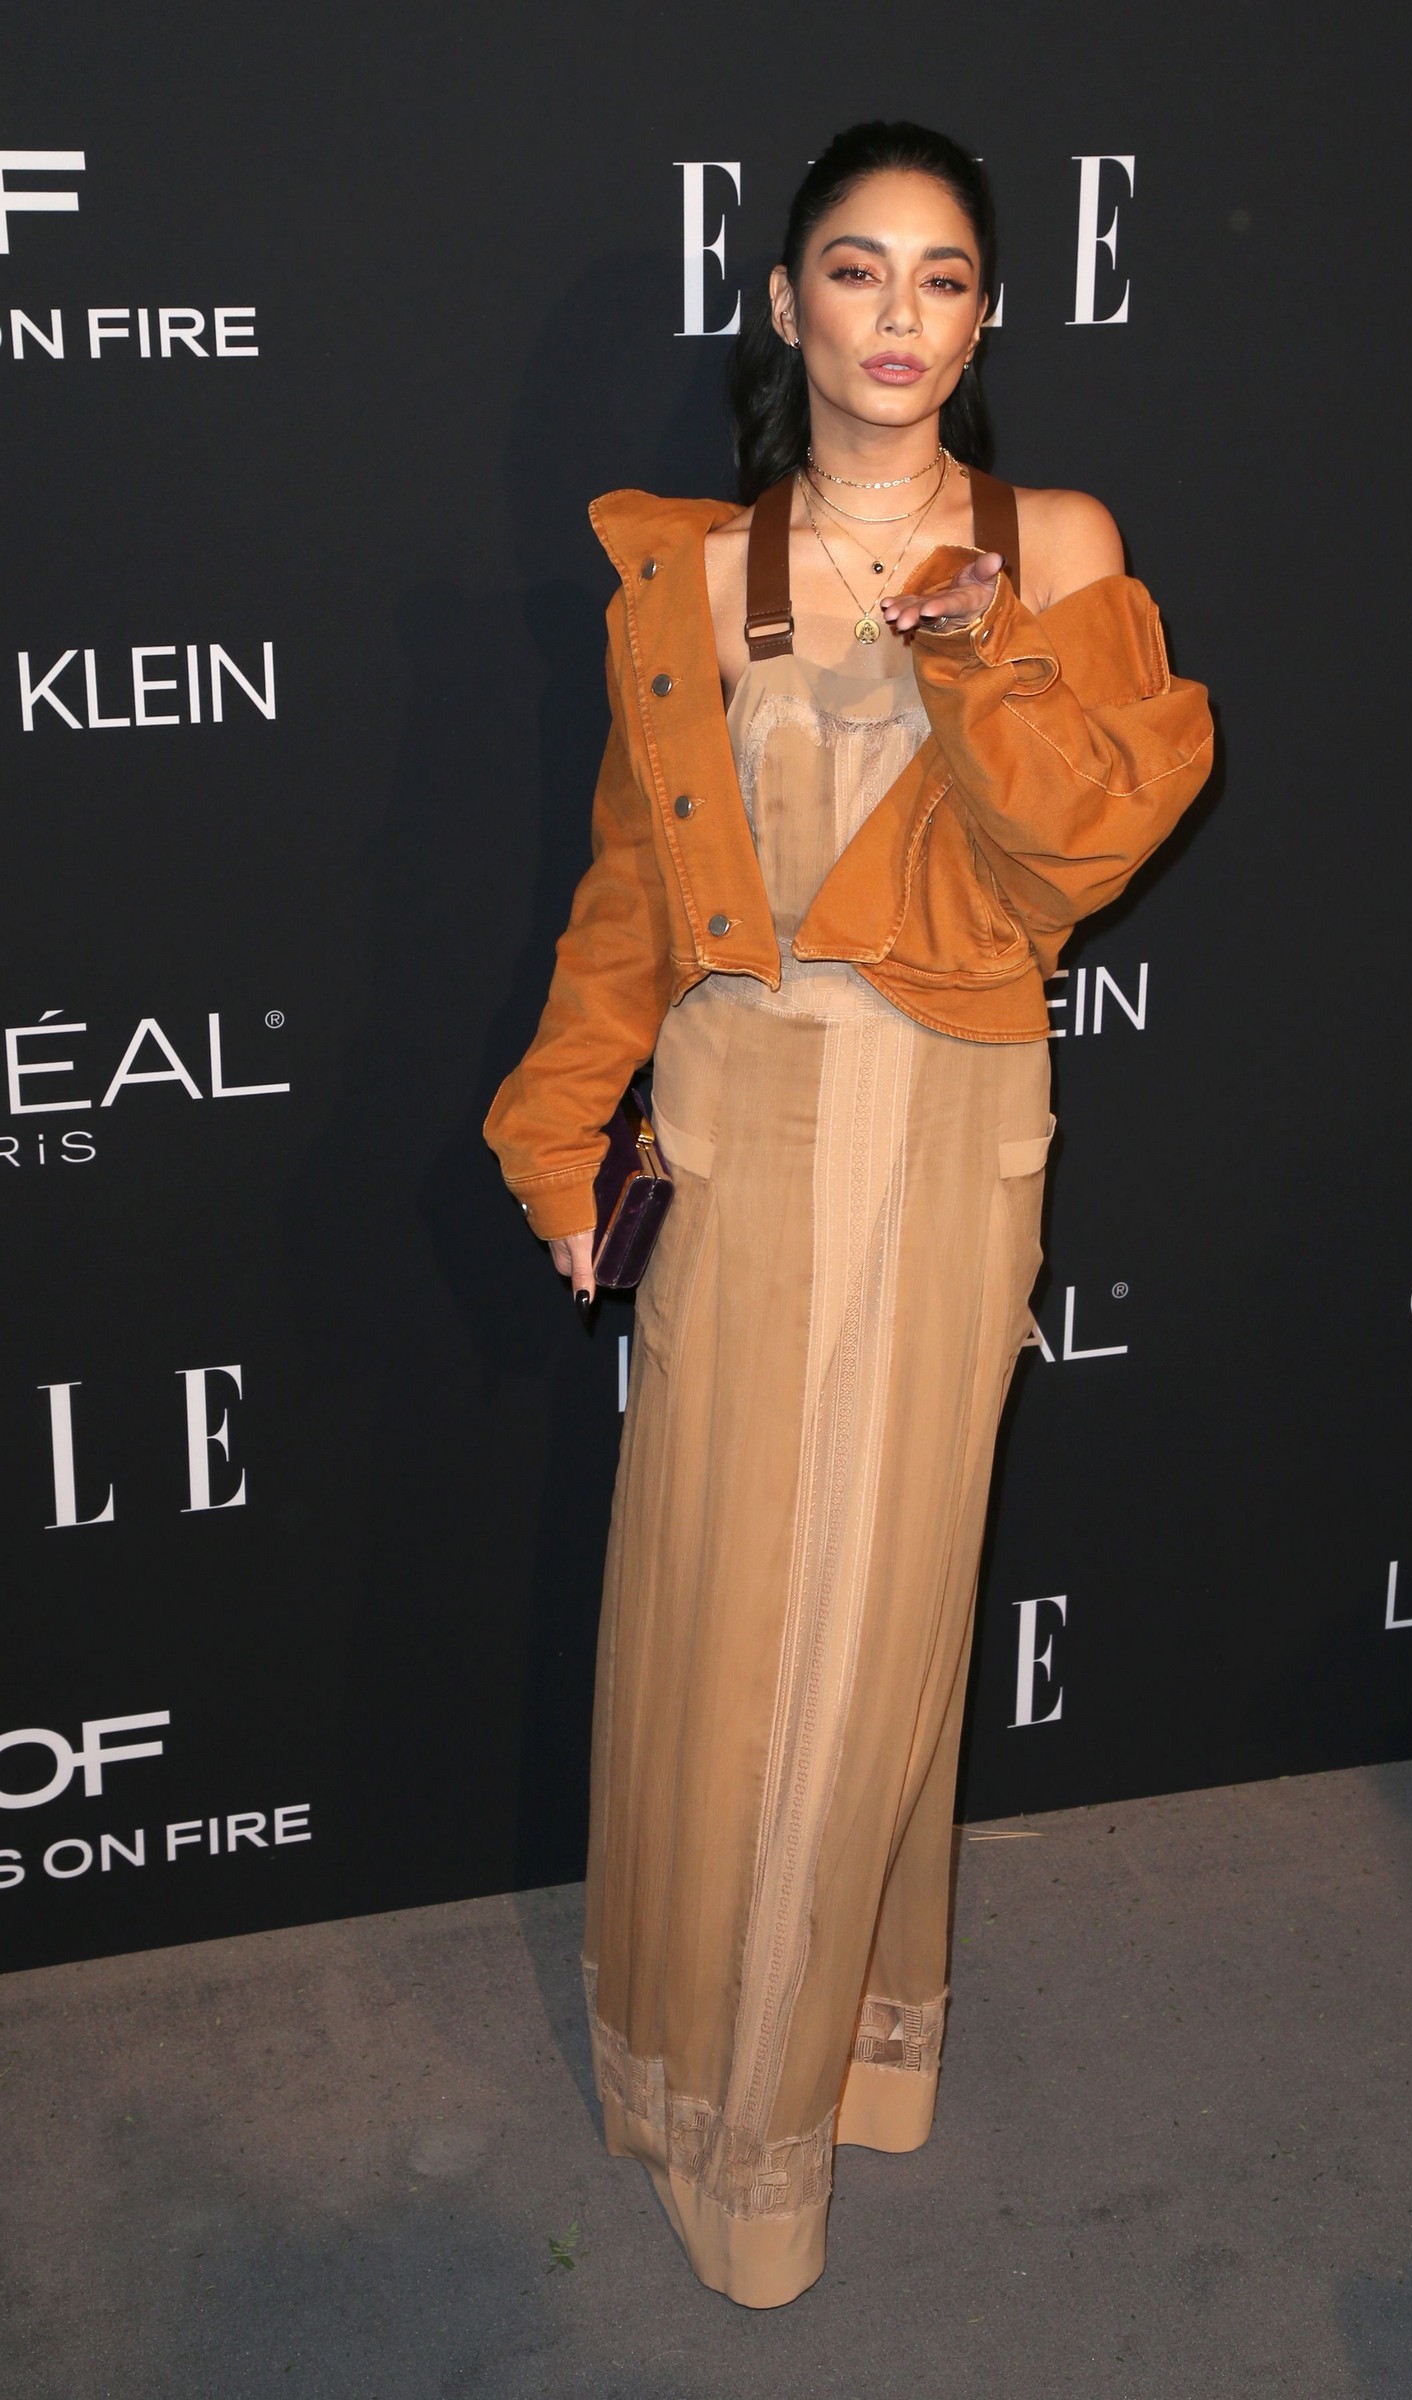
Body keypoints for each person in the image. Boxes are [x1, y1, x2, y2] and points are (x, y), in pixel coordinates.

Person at [484, 119, 1213, 2308]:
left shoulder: (1052, 541)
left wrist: (978, 649)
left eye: (942, 278)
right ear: (787, 300)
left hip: (949, 1121)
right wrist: (561, 1129)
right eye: (858, 269)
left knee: (869, 1631)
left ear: (982, 323)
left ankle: (799, 2108)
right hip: (738, 1115)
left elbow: (1084, 843)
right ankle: (696, 2086)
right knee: (721, 1623)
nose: (898, 315)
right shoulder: (698, 577)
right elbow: (633, 891)